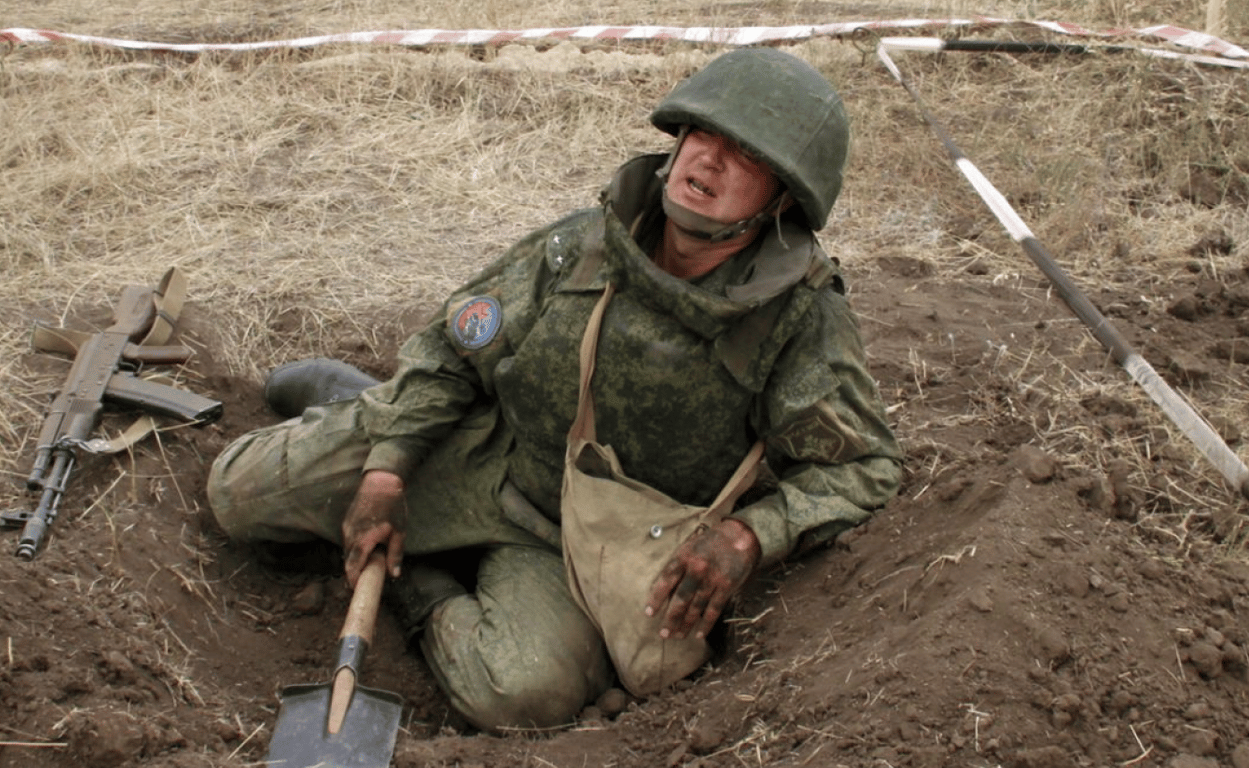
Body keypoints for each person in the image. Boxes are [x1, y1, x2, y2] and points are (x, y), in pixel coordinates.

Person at [207, 47, 902, 732]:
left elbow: (863, 467)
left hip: (578, 546)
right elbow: (454, 348)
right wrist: (389, 470)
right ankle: (355, 401)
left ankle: (417, 575)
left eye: (744, 155)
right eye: (702, 135)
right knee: (236, 495)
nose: (708, 162)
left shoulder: (799, 320)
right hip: (477, 447)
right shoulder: (587, 245)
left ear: (783, 197)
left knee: (519, 691)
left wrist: (753, 534)